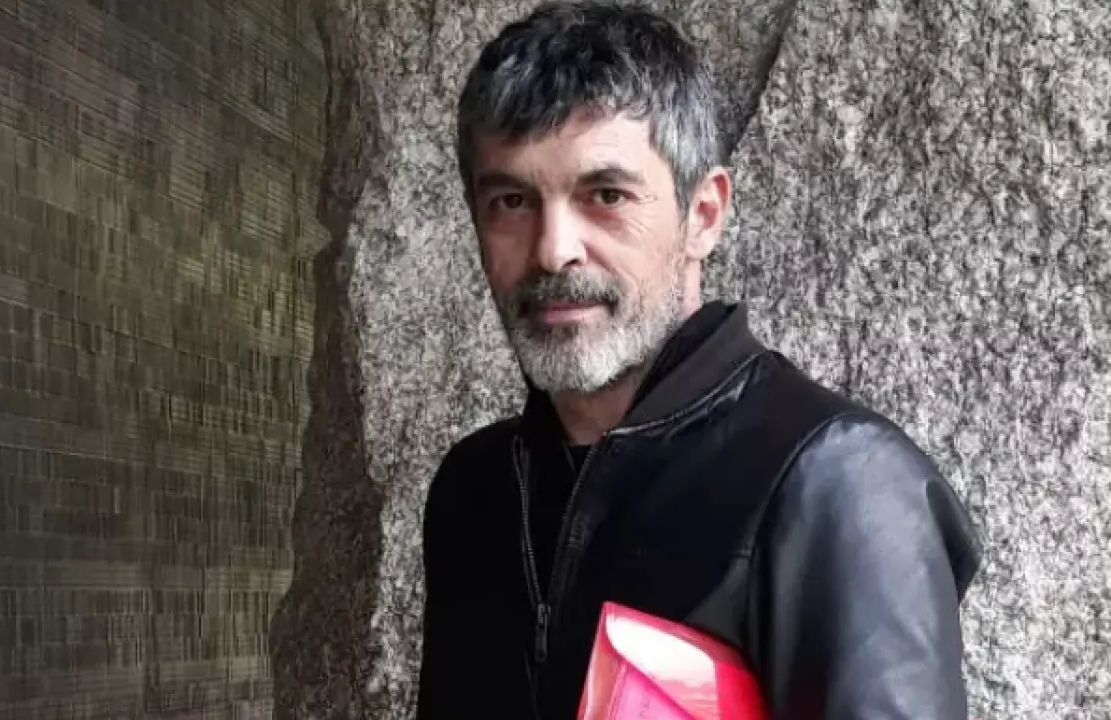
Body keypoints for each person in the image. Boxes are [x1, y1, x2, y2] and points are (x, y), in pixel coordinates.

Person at [416, 2, 982, 718]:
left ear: (703, 215)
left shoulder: (836, 484)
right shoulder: (475, 491)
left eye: (606, 195)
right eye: (511, 200)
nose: (554, 249)